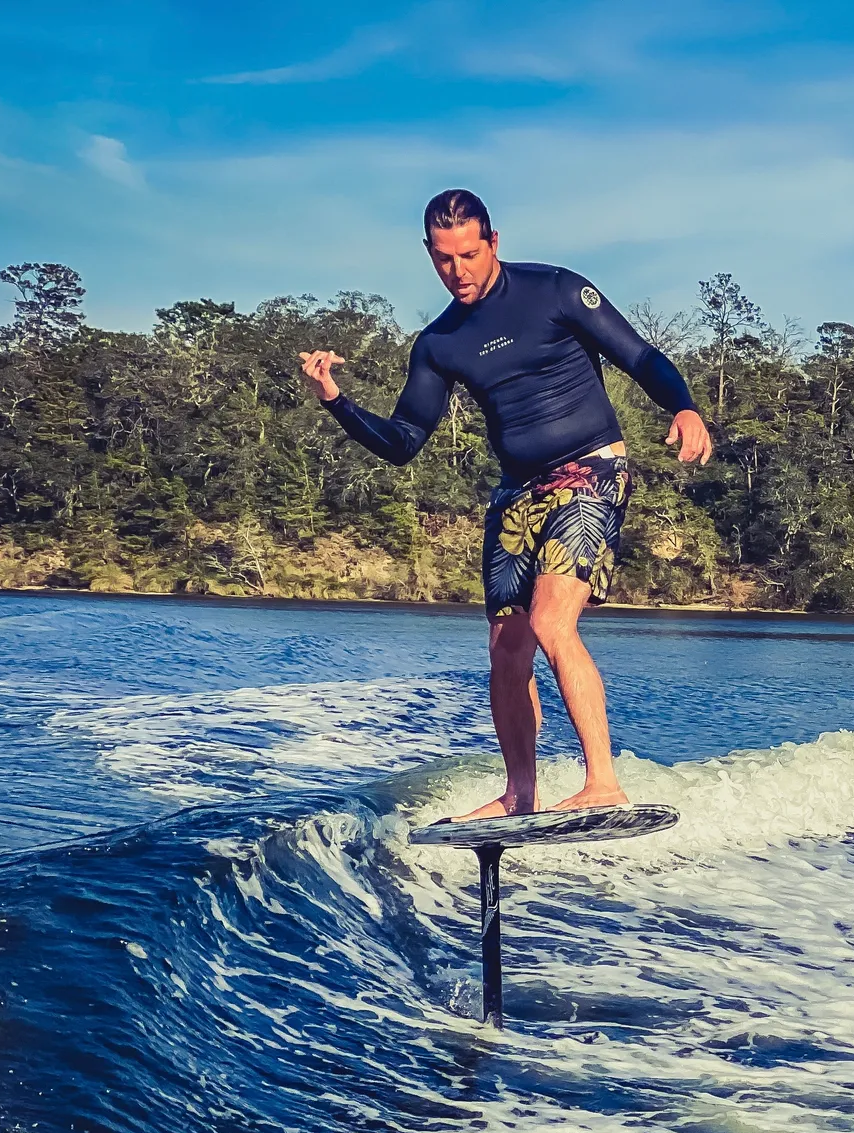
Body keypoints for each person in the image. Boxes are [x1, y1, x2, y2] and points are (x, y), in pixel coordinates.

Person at [298, 189, 711, 817]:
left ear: (493, 242)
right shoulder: (440, 342)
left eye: (468, 254)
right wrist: (335, 398)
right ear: (429, 256)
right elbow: (404, 441)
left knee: (551, 622)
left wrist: (681, 406)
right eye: (443, 259)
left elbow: (639, 357)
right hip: (518, 489)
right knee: (506, 645)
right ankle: (521, 793)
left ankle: (604, 781)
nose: (457, 270)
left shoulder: (556, 291)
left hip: (592, 469)